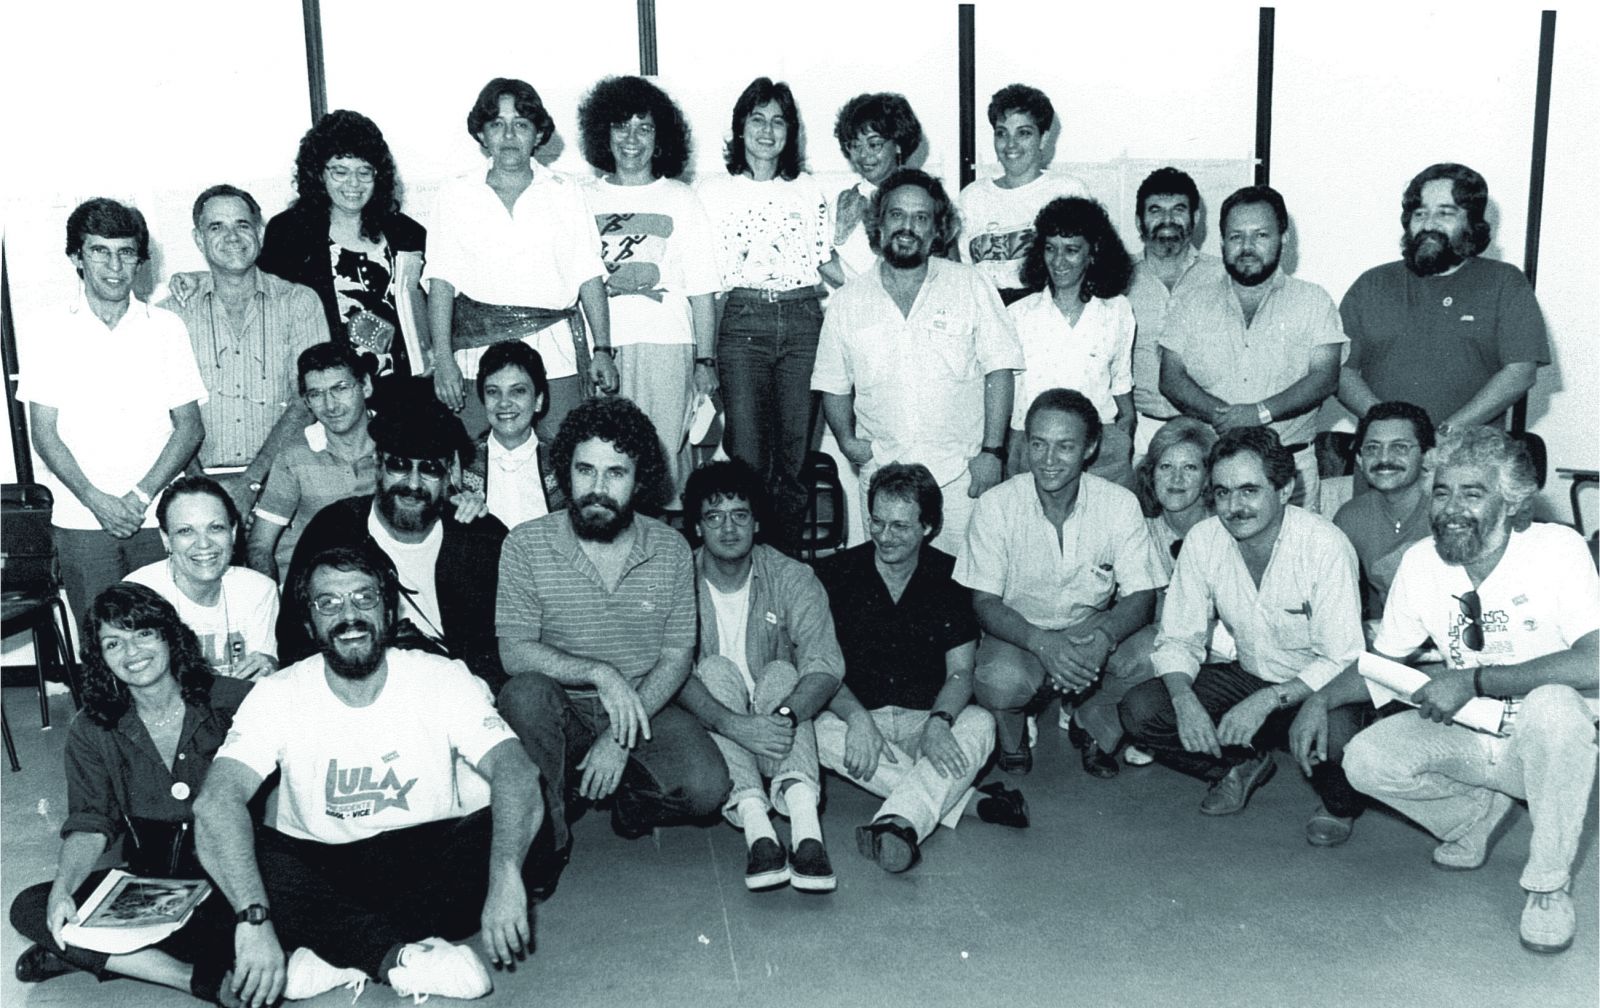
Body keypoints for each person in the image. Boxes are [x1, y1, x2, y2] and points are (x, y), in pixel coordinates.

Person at [193, 546, 546, 1004]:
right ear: (308, 623)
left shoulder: (442, 677)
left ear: (388, 610)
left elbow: (515, 770)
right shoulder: (276, 694)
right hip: (324, 865)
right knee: (236, 841)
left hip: (427, 861)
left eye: (364, 598)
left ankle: (333, 948)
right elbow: (216, 801)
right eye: (328, 602)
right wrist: (254, 919)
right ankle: (396, 956)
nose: (349, 615)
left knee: (517, 820)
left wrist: (505, 875)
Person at [1315, 428, 1598, 954]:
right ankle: (1475, 816)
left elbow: (1596, 662)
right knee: (1366, 759)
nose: (1451, 509)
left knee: (1556, 706)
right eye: (1442, 492)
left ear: (1512, 503)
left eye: (1473, 493)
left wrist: (1472, 680)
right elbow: (1384, 663)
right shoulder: (1421, 562)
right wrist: (1319, 698)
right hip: (1474, 732)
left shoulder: (1558, 549)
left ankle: (1548, 887)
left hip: (1546, 743)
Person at [496, 397, 729, 856]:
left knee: (707, 789)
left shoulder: (670, 550)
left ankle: (627, 797)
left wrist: (618, 740)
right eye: (585, 470)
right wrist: (600, 673)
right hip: (561, 707)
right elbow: (514, 651)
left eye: (615, 473)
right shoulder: (525, 544)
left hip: (642, 707)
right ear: (566, 472)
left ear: (639, 480)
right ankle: (549, 838)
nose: (597, 489)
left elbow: (676, 657)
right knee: (522, 695)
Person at [1119, 427, 1367, 838]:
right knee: (1141, 709)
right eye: (1222, 493)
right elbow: (1179, 637)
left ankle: (1338, 804)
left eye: (1249, 491)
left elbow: (1343, 658)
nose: (1234, 507)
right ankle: (1238, 766)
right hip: (1250, 677)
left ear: (1284, 489)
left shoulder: (1325, 546)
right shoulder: (1204, 540)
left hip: (1317, 686)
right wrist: (1183, 700)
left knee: (1338, 740)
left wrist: (1268, 701)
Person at [10, 583, 248, 1005]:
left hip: (235, 873)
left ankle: (97, 956)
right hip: (151, 883)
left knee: (266, 919)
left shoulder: (234, 700)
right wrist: (64, 889)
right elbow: (90, 824)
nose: (132, 651)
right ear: (100, 657)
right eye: (113, 643)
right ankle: (189, 978)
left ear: (169, 635)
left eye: (143, 633)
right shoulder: (92, 727)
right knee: (32, 906)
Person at [813, 463, 1023, 874]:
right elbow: (821, 666)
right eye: (877, 522)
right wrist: (856, 719)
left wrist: (940, 722)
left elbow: (961, 671)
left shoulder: (952, 578)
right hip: (860, 718)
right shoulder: (834, 574)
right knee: (816, 729)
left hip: (925, 720)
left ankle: (899, 821)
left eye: (899, 526)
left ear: (928, 526)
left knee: (979, 722)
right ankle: (958, 804)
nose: (884, 536)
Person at [813, 168, 1023, 554]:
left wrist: (992, 453)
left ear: (936, 229)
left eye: (921, 217)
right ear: (878, 224)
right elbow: (832, 383)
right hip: (883, 478)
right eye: (897, 214)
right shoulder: (847, 301)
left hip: (961, 478)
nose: (907, 227)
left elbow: (1000, 369)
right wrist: (847, 442)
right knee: (888, 583)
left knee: (964, 585)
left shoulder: (970, 285)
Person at [957, 389, 1164, 775]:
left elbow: (1142, 594)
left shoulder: (1119, 504)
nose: (1048, 460)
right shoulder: (995, 505)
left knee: (1155, 654)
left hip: (1089, 628)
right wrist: (1042, 643)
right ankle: (1013, 733)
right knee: (999, 682)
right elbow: (984, 603)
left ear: (1090, 448)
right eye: (1039, 444)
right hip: (1020, 631)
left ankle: (1093, 721)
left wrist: (1103, 640)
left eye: (1065, 446)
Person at [18, 198, 206, 620]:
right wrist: (96, 501)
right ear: (76, 257)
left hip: (159, 516)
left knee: (169, 635)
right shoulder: (46, 329)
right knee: (100, 638)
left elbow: (189, 427)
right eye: (100, 251)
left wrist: (140, 496)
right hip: (82, 520)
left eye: (126, 252)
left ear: (140, 260)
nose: (115, 266)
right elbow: (44, 433)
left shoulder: (167, 328)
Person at [675, 461, 844, 891]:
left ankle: (807, 834)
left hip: (778, 720)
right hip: (716, 722)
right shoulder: (677, 582)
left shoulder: (791, 576)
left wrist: (782, 718)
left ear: (756, 523)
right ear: (697, 526)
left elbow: (824, 665)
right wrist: (733, 724)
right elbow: (674, 674)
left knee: (782, 671)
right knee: (712, 671)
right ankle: (760, 835)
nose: (728, 528)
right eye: (714, 517)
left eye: (740, 515)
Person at [425, 77, 617, 441]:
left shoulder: (566, 192)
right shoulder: (455, 194)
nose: (509, 135)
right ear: (482, 134)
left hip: (557, 357)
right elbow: (441, 284)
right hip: (475, 357)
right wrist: (444, 360)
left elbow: (589, 277)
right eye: (497, 124)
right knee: (476, 460)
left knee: (560, 457)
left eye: (521, 124)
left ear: (539, 134)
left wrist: (603, 349)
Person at [276, 389, 508, 690]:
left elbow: (500, 652)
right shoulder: (334, 530)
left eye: (430, 469)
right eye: (399, 465)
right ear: (377, 463)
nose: (413, 483)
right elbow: (295, 641)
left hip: (458, 693)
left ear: (449, 474)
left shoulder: (480, 538)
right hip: (359, 690)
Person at [695, 77, 836, 549]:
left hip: (802, 323)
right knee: (748, 460)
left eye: (778, 121)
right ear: (740, 128)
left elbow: (826, 262)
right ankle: (745, 565)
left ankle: (786, 568)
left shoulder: (808, 190)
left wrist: (873, 288)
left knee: (794, 461)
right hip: (741, 325)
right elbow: (703, 280)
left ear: (790, 132)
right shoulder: (712, 191)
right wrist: (703, 355)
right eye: (757, 119)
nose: (767, 131)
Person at [577, 75, 721, 502]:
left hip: (667, 346)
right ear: (604, 133)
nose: (632, 139)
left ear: (660, 139)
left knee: (661, 467)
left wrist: (705, 360)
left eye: (644, 128)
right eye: (621, 126)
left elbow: (702, 290)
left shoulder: (681, 198)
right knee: (606, 460)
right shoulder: (580, 198)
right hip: (601, 350)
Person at [1159, 184, 1345, 507]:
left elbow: (1325, 377)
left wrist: (1259, 413)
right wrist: (1226, 417)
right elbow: (1170, 378)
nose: (1247, 247)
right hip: (1211, 471)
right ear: (1222, 242)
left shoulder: (1314, 301)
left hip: (1291, 474)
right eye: (1236, 236)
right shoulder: (1190, 303)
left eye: (1260, 235)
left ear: (1284, 238)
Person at [1338, 163, 1550, 431]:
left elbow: (1520, 372)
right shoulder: (1371, 284)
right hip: (1385, 449)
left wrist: (1446, 433)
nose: (1429, 224)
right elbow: (1339, 371)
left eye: (1445, 213)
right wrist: (1392, 429)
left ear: (1472, 222)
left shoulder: (1505, 282)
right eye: (1420, 213)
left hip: (1470, 450)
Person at [160, 184, 328, 517]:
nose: (232, 236)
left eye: (242, 224)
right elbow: (162, 408)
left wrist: (250, 483)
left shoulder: (299, 303)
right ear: (199, 239)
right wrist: (202, 489)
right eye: (216, 227)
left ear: (259, 233)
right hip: (197, 486)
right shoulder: (171, 314)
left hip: (286, 477)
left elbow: (307, 400)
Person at [1070, 417, 1226, 773]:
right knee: (1144, 653)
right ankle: (1102, 725)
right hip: (1165, 635)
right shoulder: (1140, 528)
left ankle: (1111, 722)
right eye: (1166, 467)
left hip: (1223, 640)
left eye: (1190, 468)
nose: (1176, 479)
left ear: (1208, 477)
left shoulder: (1225, 526)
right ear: (1151, 474)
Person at [258, 110, 429, 393]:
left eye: (364, 171)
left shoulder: (407, 233)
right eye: (340, 171)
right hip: (327, 395)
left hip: (405, 390)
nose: (353, 183)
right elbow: (260, 298)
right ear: (318, 172)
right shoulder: (289, 232)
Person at [1007, 196, 1137, 487]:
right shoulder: (1018, 315)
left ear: (1093, 252)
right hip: (1036, 448)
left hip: (1101, 449)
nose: (1058, 261)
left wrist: (1125, 429)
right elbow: (1010, 395)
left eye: (1071, 250)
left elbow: (1121, 379)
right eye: (1050, 248)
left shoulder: (1117, 309)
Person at [246, 342, 378, 582]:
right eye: (316, 394)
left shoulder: (395, 448)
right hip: (304, 584)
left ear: (366, 386)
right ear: (306, 401)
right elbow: (260, 545)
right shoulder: (294, 455)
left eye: (340, 388)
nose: (330, 405)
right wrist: (273, 597)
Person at [125, 477, 278, 680]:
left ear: (233, 533)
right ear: (166, 539)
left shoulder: (259, 590)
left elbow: (263, 677)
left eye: (216, 528)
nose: (204, 544)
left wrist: (269, 665)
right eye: (186, 531)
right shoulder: (138, 593)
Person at [1124, 168, 1227, 456]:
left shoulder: (1223, 276)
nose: (1167, 219)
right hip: (1138, 430)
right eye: (1155, 210)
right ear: (1139, 221)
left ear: (1196, 217)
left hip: (1208, 429)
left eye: (1178, 209)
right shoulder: (1117, 279)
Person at [956, 84, 1090, 305]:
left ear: (1043, 138)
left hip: (1048, 314)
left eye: (1023, 133)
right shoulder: (972, 197)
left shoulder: (1067, 191)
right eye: (1002, 133)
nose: (1011, 144)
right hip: (986, 314)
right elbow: (963, 275)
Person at [1333, 401, 1436, 633]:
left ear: (1427, 456)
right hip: (1394, 639)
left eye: (1400, 447)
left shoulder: (1447, 511)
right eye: (1372, 448)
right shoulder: (1351, 518)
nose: (1384, 458)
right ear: (1359, 459)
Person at [460, 340, 565, 530]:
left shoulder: (562, 462)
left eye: (518, 391)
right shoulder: (461, 463)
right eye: (493, 392)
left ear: (538, 400)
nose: (504, 403)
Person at [830, 92, 924, 279]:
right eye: (855, 145)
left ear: (898, 144)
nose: (864, 155)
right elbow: (825, 260)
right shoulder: (843, 203)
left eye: (874, 145)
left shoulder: (924, 196)